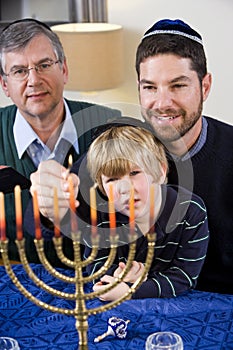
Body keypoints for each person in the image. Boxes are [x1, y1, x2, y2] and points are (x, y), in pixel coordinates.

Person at [27, 118, 209, 299]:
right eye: (112, 180)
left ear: (161, 172)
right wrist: (117, 276)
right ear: (102, 188)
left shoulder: (190, 211)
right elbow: (97, 269)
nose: (125, 189)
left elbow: (184, 277)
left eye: (135, 173)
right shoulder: (101, 216)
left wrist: (133, 290)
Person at [0, 18, 120, 265]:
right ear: (4, 84)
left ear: (64, 70)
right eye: (20, 71)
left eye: (44, 65)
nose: (33, 80)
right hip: (12, 282)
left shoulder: (110, 126)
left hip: (98, 277)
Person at [135, 18, 233, 294]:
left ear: (205, 86)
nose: (162, 103)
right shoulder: (120, 151)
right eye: (150, 87)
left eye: (178, 86)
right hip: (142, 304)